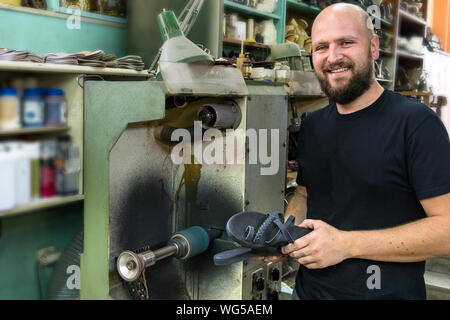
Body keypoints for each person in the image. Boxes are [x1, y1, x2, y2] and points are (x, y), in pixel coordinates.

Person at [263, 3, 450, 299]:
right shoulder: (313, 125)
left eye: (346, 43)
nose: (333, 57)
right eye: (321, 47)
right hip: (309, 293)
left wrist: (345, 244)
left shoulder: (415, 124)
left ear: (374, 47)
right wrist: (285, 236)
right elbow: (304, 195)